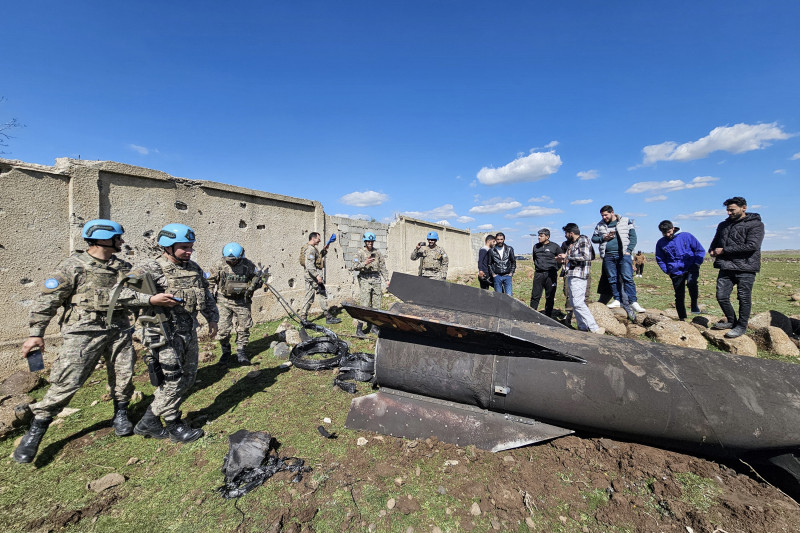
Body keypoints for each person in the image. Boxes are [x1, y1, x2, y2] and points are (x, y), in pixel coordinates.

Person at [13, 219, 178, 463]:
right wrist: (36, 333)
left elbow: (142, 296)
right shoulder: (73, 266)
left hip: (119, 329)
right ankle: (37, 430)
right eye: (118, 238)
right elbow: (48, 300)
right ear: (102, 238)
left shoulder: (124, 267)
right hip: (83, 331)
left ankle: (120, 414)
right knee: (68, 380)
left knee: (123, 375)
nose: (122, 241)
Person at [131, 223, 219, 443]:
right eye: (183, 247)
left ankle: (152, 422)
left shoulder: (193, 267)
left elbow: (206, 295)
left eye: (190, 247)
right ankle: (168, 422)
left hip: (188, 330)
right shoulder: (150, 267)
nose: (189, 251)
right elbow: (119, 293)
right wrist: (150, 299)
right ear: (168, 247)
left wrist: (213, 319)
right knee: (172, 380)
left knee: (188, 378)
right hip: (163, 333)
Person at [708, 197, 764, 338]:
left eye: (732, 210)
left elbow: (752, 246)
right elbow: (715, 241)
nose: (729, 213)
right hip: (726, 266)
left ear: (743, 208)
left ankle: (741, 326)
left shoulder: (756, 225)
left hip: (746, 267)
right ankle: (732, 321)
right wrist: (712, 250)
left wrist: (724, 250)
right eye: (727, 210)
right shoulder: (723, 225)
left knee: (744, 298)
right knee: (721, 296)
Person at [208, 242, 259, 367]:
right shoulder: (219, 264)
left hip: (242, 301)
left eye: (234, 260)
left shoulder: (248, 265)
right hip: (223, 301)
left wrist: (254, 285)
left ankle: (241, 351)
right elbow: (209, 282)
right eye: (229, 260)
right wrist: (209, 299)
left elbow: (257, 279)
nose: (231, 262)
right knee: (222, 329)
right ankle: (226, 351)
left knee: (244, 327)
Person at [592, 205, 646, 313]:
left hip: (623, 255)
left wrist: (628, 251)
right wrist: (604, 238)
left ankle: (633, 302)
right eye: (602, 215)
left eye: (605, 215)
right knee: (612, 278)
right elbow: (594, 238)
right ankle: (617, 299)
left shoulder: (625, 221)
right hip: (608, 255)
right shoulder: (600, 225)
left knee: (627, 277)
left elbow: (633, 237)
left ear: (612, 212)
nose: (604, 217)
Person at [557, 223, 604, 334]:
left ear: (571, 233)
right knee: (574, 303)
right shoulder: (573, 243)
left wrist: (567, 256)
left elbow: (586, 256)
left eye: (566, 233)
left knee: (578, 303)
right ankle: (582, 327)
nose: (565, 236)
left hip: (579, 275)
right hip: (572, 274)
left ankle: (594, 328)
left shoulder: (583, 240)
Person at [655, 220, 706, 321]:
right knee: (679, 295)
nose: (667, 235)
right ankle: (682, 318)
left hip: (691, 266)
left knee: (692, 283)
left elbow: (700, 250)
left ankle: (694, 304)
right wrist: (667, 270)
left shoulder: (686, 236)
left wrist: (697, 263)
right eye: (665, 233)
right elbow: (660, 258)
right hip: (675, 271)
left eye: (669, 232)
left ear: (673, 228)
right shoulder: (661, 243)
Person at [350, 232, 390, 338]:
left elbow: (382, 267)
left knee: (377, 304)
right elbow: (354, 266)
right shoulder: (359, 253)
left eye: (371, 241)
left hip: (376, 279)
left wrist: (386, 280)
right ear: (365, 242)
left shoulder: (377, 253)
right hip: (365, 279)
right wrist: (365, 263)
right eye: (368, 241)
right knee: (364, 305)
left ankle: (374, 326)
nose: (370, 243)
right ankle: (359, 328)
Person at [299, 232, 341, 324]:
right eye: (318, 238)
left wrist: (324, 250)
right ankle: (328, 316)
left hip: (309, 276)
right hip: (313, 277)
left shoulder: (310, 248)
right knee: (322, 294)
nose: (320, 240)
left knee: (309, 296)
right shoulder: (310, 249)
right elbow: (309, 265)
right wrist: (317, 276)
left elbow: (317, 260)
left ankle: (303, 317)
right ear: (313, 238)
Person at [530, 228, 562, 316]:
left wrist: (556, 269)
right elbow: (534, 258)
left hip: (550, 275)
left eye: (541, 236)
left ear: (547, 237)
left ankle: (548, 315)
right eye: (538, 236)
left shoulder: (555, 246)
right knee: (535, 296)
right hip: (539, 274)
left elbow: (561, 259)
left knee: (550, 296)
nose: (539, 238)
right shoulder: (536, 247)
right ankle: (532, 314)